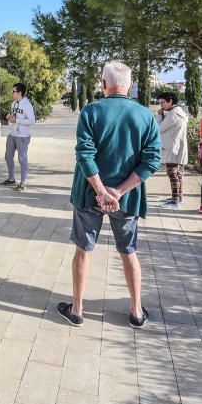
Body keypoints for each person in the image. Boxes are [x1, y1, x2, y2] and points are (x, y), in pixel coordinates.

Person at [58, 61, 161, 328]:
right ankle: (136, 311)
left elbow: (84, 154)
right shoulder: (145, 115)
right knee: (128, 251)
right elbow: (151, 161)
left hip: (88, 194)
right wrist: (118, 191)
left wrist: (102, 191)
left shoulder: (91, 111)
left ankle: (77, 309)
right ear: (131, 85)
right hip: (127, 198)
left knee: (83, 250)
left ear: (103, 84)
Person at [156, 91, 189, 209]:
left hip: (172, 148)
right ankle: (178, 197)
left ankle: (175, 202)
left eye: (163, 102)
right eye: (159, 103)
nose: (161, 105)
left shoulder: (173, 115)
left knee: (172, 174)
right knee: (178, 174)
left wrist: (159, 115)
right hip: (176, 147)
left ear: (171, 101)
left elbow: (158, 128)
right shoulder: (180, 112)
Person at [4, 82, 35, 192]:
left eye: (14, 91)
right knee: (8, 156)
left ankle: (23, 183)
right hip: (12, 134)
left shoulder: (27, 105)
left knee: (22, 159)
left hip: (23, 135)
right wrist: (10, 118)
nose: (12, 93)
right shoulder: (14, 104)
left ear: (20, 92)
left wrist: (16, 120)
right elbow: (15, 118)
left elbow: (32, 121)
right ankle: (11, 179)